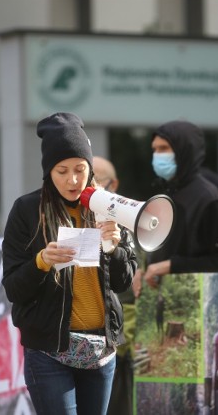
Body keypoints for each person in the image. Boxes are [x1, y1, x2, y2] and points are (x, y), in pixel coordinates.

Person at [2, 112, 136, 415]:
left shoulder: (108, 207)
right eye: (61, 171)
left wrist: (112, 248)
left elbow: (124, 282)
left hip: (100, 353)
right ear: (48, 171)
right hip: (49, 353)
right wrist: (41, 261)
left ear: (90, 168)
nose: (72, 180)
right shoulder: (26, 211)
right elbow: (13, 287)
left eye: (80, 169)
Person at [142, 120, 218, 288]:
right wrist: (144, 270)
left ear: (184, 150)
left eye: (164, 149)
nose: (157, 156)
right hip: (168, 303)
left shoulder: (209, 199)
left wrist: (171, 266)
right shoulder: (169, 193)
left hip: (202, 306)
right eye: (154, 149)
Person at [93, 156, 135, 415]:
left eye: (99, 180)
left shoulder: (126, 223)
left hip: (123, 341)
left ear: (114, 184)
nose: (92, 186)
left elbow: (127, 284)